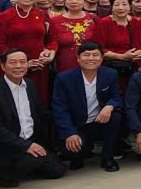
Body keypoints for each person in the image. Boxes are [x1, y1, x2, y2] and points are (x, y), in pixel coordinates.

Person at [0, 49, 63, 185]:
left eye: (23, 62)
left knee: (57, 170)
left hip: (31, 139)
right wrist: (26, 146)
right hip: (7, 145)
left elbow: (40, 113)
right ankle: (4, 172)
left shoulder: (30, 85)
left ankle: (27, 166)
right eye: (13, 62)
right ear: (3, 66)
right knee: (27, 164)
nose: (18, 66)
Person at [51, 41, 124, 172]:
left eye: (95, 55)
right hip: (76, 125)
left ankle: (108, 158)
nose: (91, 58)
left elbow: (117, 96)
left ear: (101, 58)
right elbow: (59, 109)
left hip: (98, 122)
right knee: (74, 153)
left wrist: (110, 106)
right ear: (78, 58)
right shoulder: (64, 78)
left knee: (115, 117)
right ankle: (80, 154)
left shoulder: (110, 74)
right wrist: (70, 133)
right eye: (86, 55)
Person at [0, 0, 57, 103]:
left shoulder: (42, 15)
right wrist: (22, 63)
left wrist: (50, 53)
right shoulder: (4, 16)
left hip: (39, 67)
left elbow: (52, 39)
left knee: (38, 102)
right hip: (14, 68)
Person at [95, 0, 141, 78]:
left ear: (130, 6)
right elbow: (98, 49)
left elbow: (139, 46)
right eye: (117, 4)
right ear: (112, 7)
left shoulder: (135, 22)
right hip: (109, 68)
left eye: (124, 4)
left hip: (131, 69)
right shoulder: (104, 23)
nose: (121, 8)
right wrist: (122, 56)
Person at [52, 0, 97, 74]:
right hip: (64, 66)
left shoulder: (93, 19)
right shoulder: (55, 21)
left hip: (89, 65)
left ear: (84, 1)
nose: (74, 1)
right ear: (65, 0)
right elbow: (51, 43)